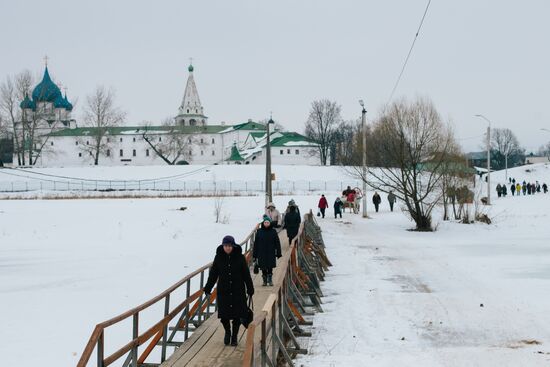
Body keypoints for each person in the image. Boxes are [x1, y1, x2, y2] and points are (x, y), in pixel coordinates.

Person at [203, 235, 254, 346]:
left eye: (230, 246)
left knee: (237, 315)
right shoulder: (218, 257)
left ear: (233, 246)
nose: (228, 248)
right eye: (226, 246)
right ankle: (227, 331)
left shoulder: (240, 257)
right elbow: (213, 274)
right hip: (224, 290)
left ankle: (234, 336)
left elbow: (246, 274)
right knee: (224, 315)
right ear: (223, 246)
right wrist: (208, 287)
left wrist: (250, 288)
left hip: (238, 290)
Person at [253, 215, 282, 286]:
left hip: (270, 252)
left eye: (267, 222)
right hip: (261, 252)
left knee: (270, 266)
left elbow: (277, 242)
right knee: (263, 267)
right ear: (263, 223)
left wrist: (278, 252)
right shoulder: (259, 231)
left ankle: (270, 279)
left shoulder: (273, 231)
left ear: (270, 223)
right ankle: (265, 281)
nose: (266, 224)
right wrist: (255, 255)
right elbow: (256, 243)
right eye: (265, 222)